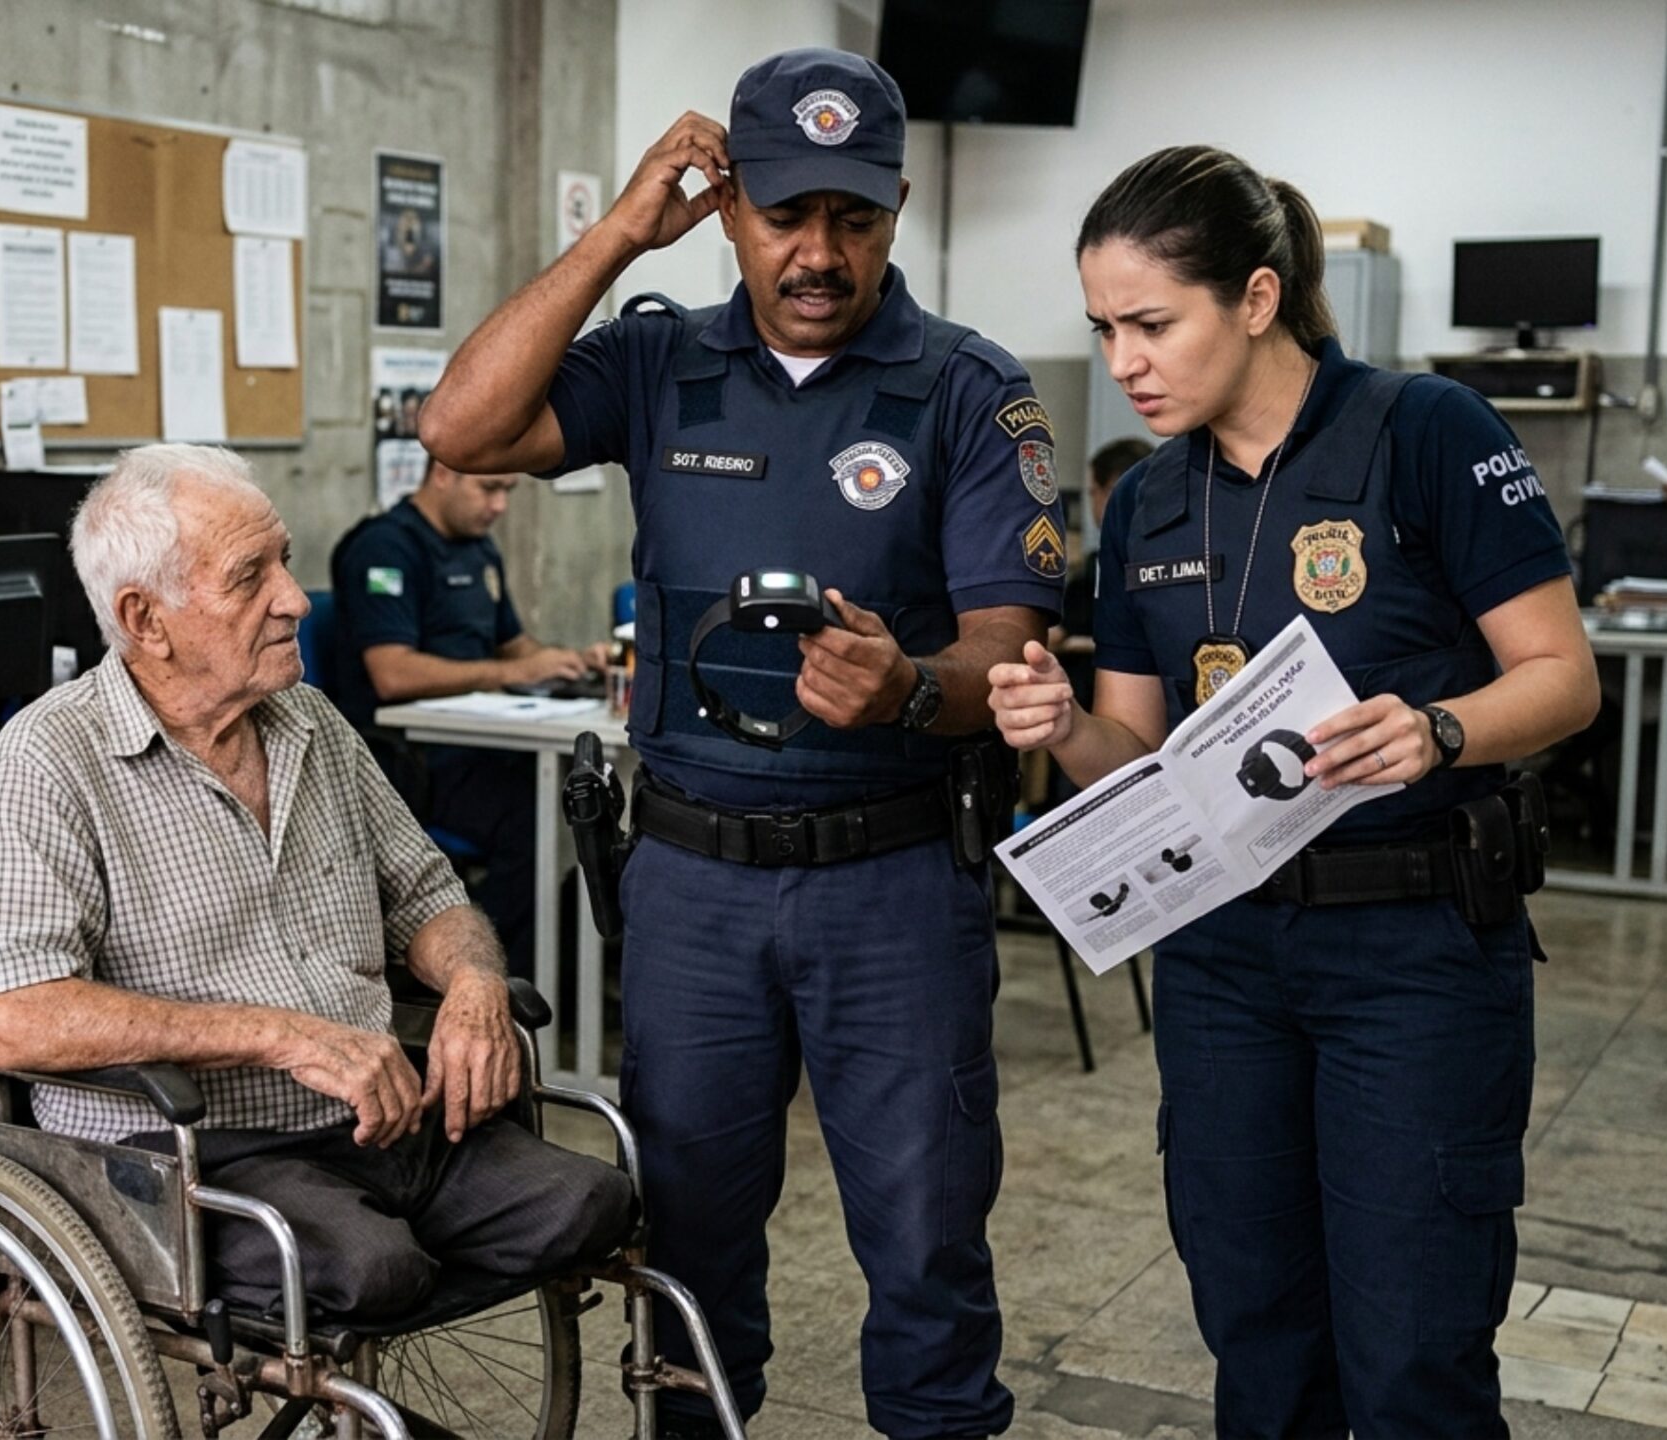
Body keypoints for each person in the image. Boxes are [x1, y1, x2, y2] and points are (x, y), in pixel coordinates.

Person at [419, 47, 1061, 1440]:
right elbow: (458, 425)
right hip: (694, 888)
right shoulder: (660, 362)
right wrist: (618, 231)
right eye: (785, 215)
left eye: (854, 218)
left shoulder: (967, 387)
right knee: (686, 1251)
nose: (819, 253)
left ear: (896, 211)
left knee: (928, 1244)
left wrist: (906, 687)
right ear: (726, 209)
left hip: (893, 885)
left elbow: (1006, 653)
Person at [988, 146, 1600, 1437]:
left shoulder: (1424, 432)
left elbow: (1563, 678)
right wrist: (1064, 728)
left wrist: (1439, 729)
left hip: (1412, 950)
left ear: (1257, 298)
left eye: (1153, 324)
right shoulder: (1148, 502)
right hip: (1225, 959)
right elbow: (1139, 758)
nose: (1123, 362)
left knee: (1413, 1348)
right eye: (1103, 330)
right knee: (1258, 1332)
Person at [0, 443, 632, 1323]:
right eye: (251, 577)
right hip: (198, 1150)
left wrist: (473, 986)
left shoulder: (308, 720)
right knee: (373, 1270)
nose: (296, 600)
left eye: (285, 561)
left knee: (594, 1203)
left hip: (382, 1120)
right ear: (145, 618)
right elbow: (18, 1018)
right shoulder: (51, 757)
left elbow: (427, 895)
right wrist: (283, 1037)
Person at [331, 461, 613, 978]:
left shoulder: (479, 548)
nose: (499, 506)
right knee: (538, 818)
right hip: (411, 761)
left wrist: (568, 661)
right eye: (488, 489)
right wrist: (507, 673)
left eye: (507, 490)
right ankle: (488, 972)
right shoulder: (385, 547)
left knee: (584, 798)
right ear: (444, 472)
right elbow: (392, 673)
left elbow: (514, 645)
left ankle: (563, 976)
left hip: (487, 746)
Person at [1058, 436, 1155, 708]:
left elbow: (1059, 633)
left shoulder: (1098, 567)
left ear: (1111, 490)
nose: (1093, 502)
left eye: (1093, 492)